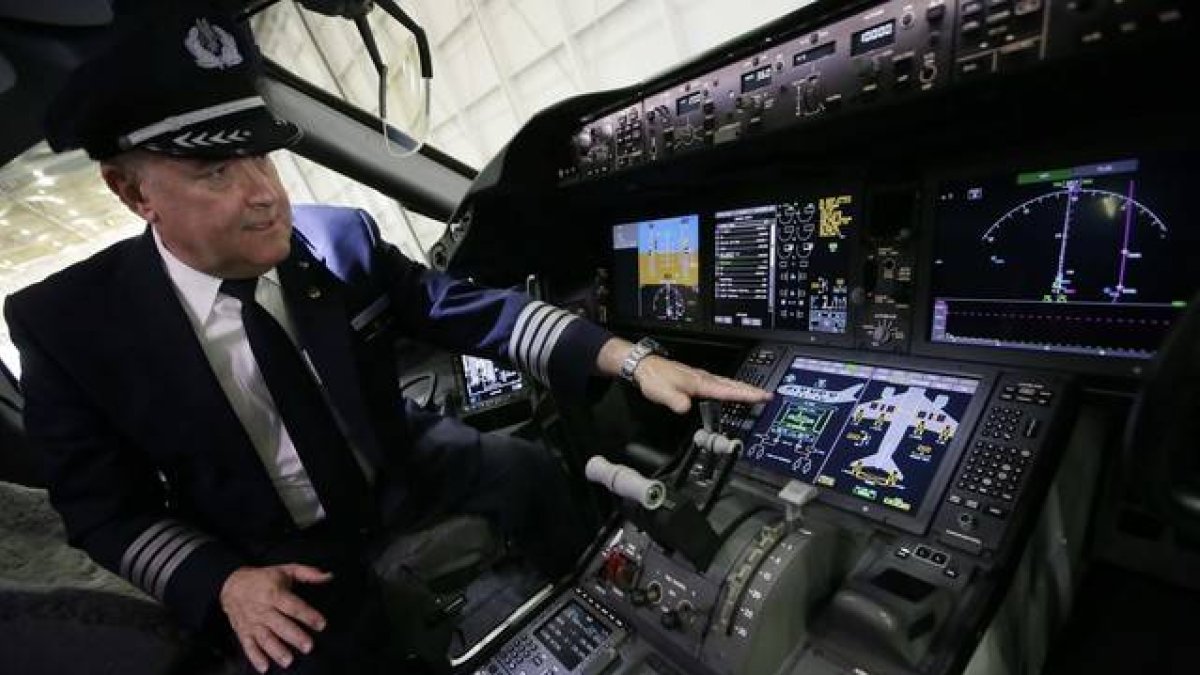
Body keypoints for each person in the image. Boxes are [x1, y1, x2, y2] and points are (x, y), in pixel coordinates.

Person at [4, 5, 771, 674]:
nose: (266, 193)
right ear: (132, 190)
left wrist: (633, 360)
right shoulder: (68, 326)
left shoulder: (340, 240)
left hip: (406, 462)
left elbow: (471, 312)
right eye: (214, 170)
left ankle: (613, 617)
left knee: (534, 471)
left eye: (262, 154)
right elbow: (101, 510)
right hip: (266, 542)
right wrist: (223, 582)